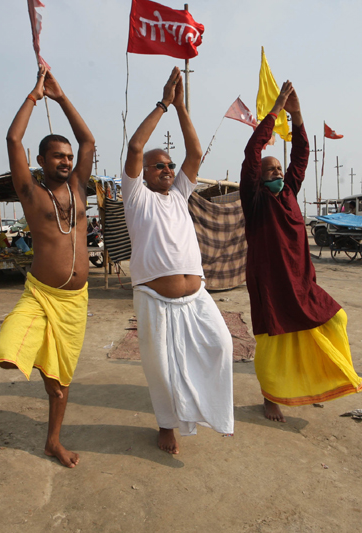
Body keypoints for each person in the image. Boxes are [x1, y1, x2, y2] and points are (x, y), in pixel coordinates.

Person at [240, 81, 362, 423]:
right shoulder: (254, 200)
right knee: (273, 342)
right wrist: (278, 107)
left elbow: (301, 155)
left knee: (335, 318)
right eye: (271, 170)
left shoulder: (290, 193)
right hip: (269, 282)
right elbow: (253, 151)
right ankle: (270, 397)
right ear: (259, 177)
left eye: (279, 169)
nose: (278, 172)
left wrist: (298, 117)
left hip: (301, 281)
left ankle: (320, 380)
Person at [122, 67, 234, 454]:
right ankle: (166, 425)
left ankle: (211, 412)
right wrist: (163, 105)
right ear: (145, 175)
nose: (168, 170)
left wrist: (183, 108)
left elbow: (195, 154)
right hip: (155, 299)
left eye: (170, 166)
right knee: (163, 371)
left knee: (221, 346)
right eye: (160, 167)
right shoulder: (136, 198)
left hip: (196, 295)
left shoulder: (181, 193)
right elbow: (136, 149)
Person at [0, 65, 94, 468]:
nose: (67, 160)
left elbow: (88, 139)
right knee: (6, 350)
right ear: (42, 160)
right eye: (58, 155)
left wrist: (61, 95)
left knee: (59, 384)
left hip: (76, 303)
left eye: (69, 156)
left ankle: (53, 441)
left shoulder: (80, 187)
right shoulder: (30, 194)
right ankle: (34, 354)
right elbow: (12, 138)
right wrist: (36, 95)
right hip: (41, 295)